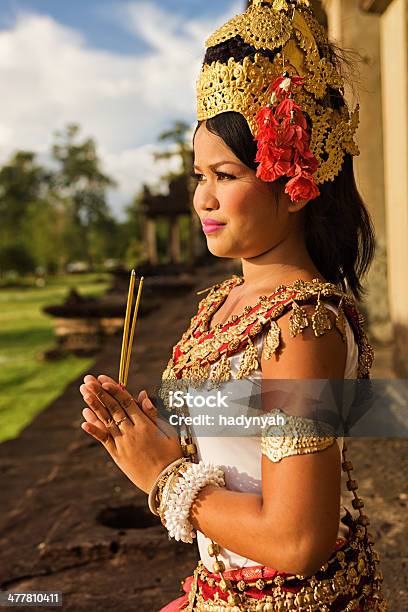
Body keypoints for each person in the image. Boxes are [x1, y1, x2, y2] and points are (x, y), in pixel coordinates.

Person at [79, 1, 388, 609]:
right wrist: (146, 436)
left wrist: (161, 476)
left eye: (226, 175)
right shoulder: (225, 303)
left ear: (293, 183)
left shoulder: (303, 329)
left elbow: (299, 540)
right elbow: (235, 448)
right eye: (200, 174)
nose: (202, 199)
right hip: (218, 589)